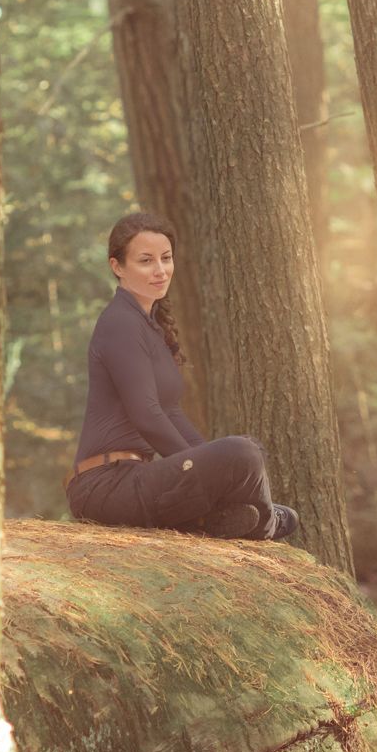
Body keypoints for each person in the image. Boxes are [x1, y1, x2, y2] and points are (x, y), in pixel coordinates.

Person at [65, 211, 298, 540]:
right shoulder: (120, 323)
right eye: (146, 261)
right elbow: (146, 415)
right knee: (243, 454)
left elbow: (171, 412)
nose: (160, 270)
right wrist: (203, 466)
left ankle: (221, 520)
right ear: (117, 267)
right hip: (105, 485)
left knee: (246, 454)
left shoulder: (150, 326)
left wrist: (208, 463)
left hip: (137, 476)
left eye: (166, 258)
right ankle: (265, 524)